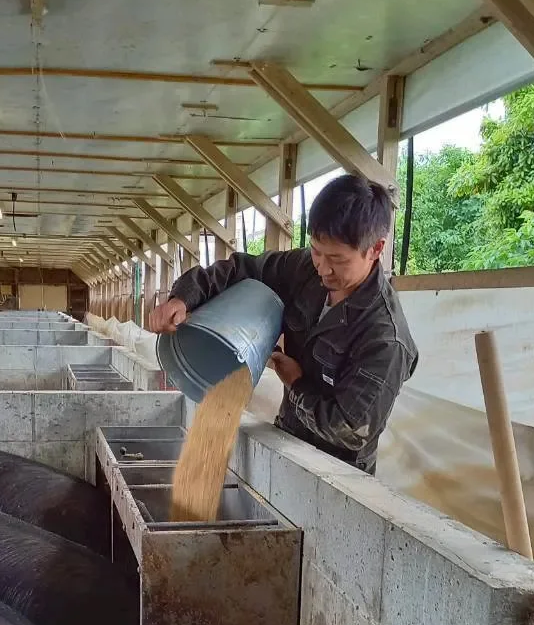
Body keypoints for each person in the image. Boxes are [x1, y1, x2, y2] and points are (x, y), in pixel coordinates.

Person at [148, 173, 418, 474]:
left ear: (376, 250)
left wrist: (296, 384)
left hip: (337, 474)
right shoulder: (305, 270)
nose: (324, 268)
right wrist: (183, 298)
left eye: (338, 259)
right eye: (317, 251)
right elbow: (242, 268)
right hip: (287, 437)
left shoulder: (385, 338)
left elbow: (351, 430)